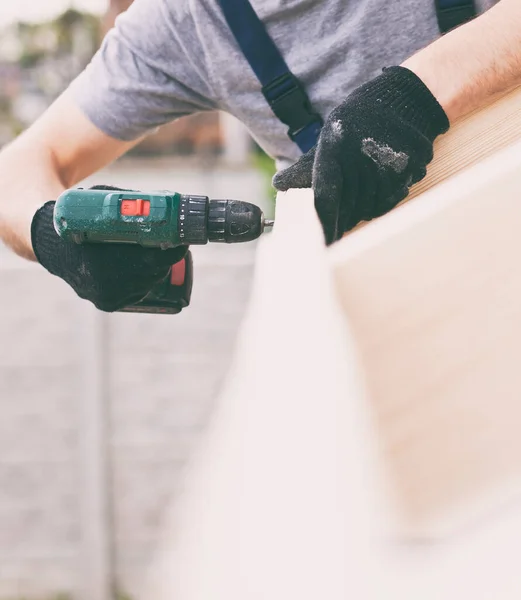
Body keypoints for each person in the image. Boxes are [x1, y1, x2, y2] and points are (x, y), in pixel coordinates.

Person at [0, 0, 518, 312]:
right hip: (413, 319)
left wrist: (417, 94)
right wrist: (53, 235)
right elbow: (16, 172)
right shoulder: (183, 22)